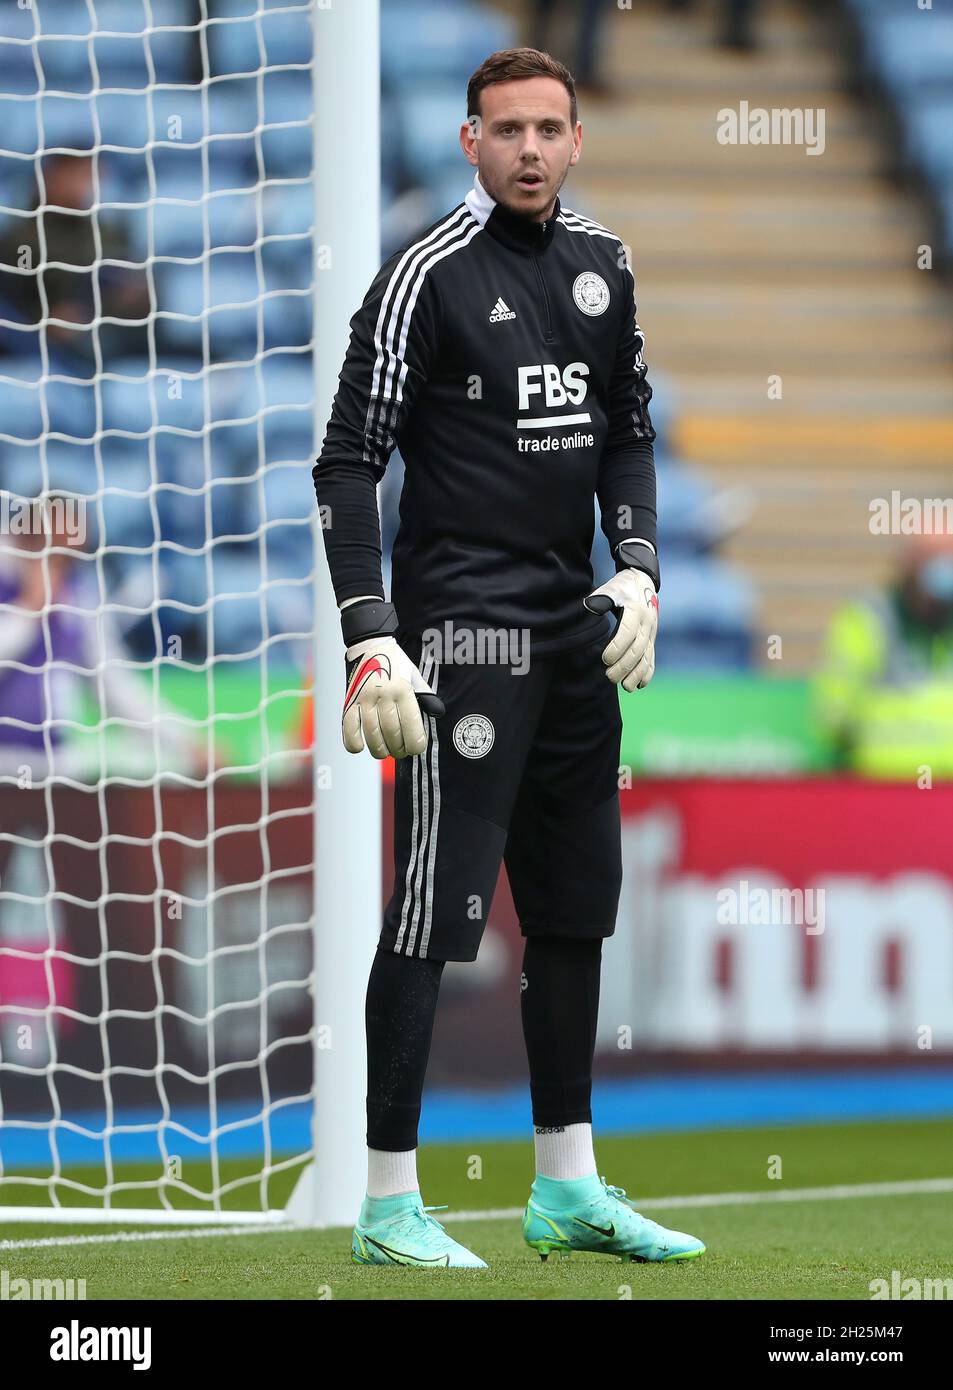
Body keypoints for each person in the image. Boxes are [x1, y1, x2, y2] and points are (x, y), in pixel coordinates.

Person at [313, 47, 705, 1269]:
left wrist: (636, 565)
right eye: (506, 130)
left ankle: (565, 1186)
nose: (529, 148)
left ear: (575, 139)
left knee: (576, 909)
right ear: (469, 142)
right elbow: (345, 463)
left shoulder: (605, 264)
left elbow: (630, 432)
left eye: (549, 127)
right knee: (434, 915)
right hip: (457, 636)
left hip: (573, 631)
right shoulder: (423, 275)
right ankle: (385, 1202)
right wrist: (369, 633)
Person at [816, 531, 953, 777]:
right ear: (908, 559)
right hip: (883, 785)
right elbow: (837, 712)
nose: (944, 563)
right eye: (933, 553)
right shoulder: (868, 618)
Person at [0, 149, 151, 364]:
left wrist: (130, 298)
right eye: (77, 175)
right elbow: (16, 294)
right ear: (49, 178)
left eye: (92, 176)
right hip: (39, 346)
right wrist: (46, 318)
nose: (86, 185)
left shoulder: (110, 235)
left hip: (107, 335)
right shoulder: (22, 241)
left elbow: (132, 291)